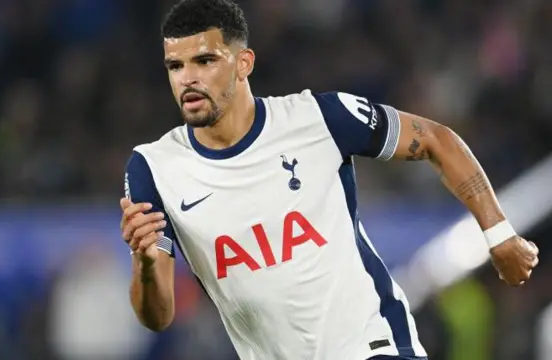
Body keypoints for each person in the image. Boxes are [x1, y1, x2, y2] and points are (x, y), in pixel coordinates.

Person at [119, 0, 539, 359]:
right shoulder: (154, 169)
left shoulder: (318, 118)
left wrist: (499, 233)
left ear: (243, 62)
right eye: (175, 66)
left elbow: (434, 139)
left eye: (205, 61)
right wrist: (144, 264)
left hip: (372, 346)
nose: (187, 78)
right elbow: (158, 317)